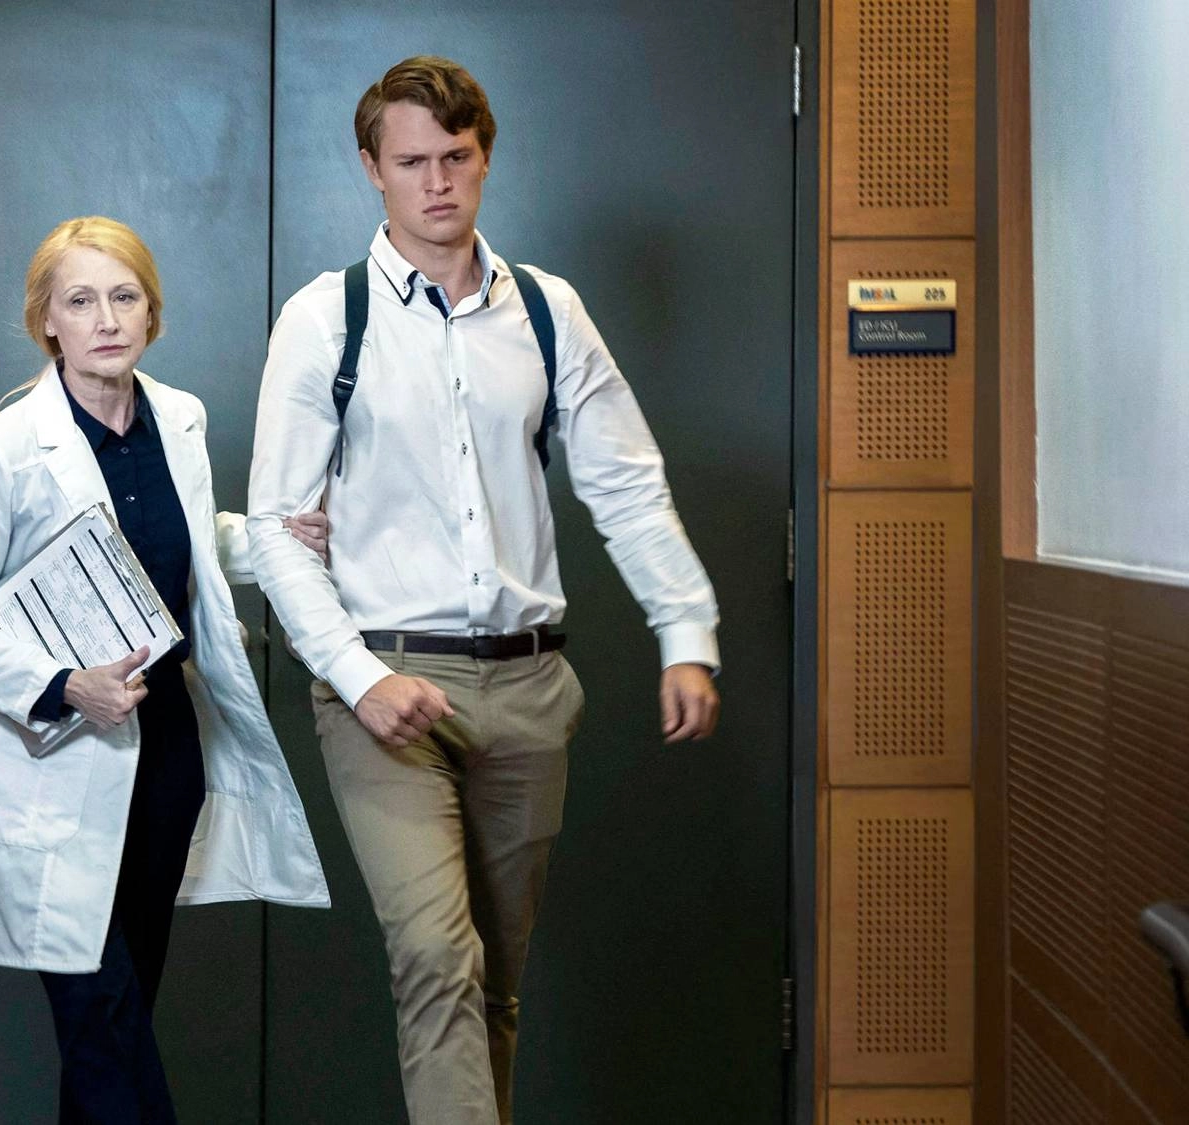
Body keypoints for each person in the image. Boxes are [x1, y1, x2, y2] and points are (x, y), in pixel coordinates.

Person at [246, 56, 723, 1124]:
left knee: (492, 984)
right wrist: (358, 679)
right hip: (386, 687)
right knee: (434, 957)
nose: (436, 183)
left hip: (529, 688)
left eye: (455, 157)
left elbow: (625, 483)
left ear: (485, 157)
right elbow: (277, 531)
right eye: (410, 161)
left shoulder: (547, 312)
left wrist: (684, 629)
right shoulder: (326, 320)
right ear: (370, 167)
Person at [0, 216, 330, 1124]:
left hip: (165, 751)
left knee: (120, 1013)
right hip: (54, 759)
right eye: (81, 300)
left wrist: (269, 540)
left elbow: (180, 540)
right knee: (101, 1015)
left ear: (152, 313)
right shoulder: (1, 449)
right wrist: (67, 686)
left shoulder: (179, 418)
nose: (105, 318)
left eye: (124, 296)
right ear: (47, 321)